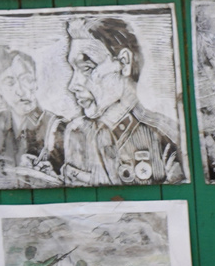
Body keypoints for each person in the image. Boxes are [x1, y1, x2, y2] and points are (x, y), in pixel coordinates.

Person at [59, 15, 187, 185]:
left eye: (87, 68)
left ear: (123, 63)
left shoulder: (166, 136)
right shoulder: (75, 133)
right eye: (74, 70)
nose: (73, 84)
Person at [0, 47, 63, 186]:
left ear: (35, 82)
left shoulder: (57, 127)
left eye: (26, 79)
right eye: (10, 82)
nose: (21, 90)